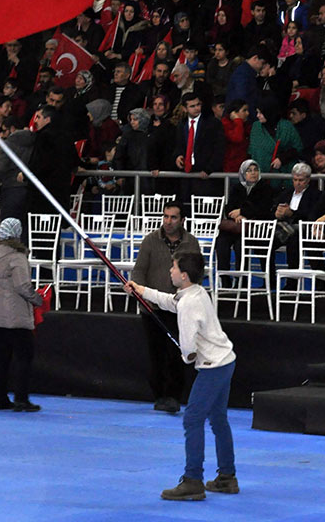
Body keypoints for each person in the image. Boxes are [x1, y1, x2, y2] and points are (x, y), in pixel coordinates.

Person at [124, 251, 238, 501]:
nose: (170, 271)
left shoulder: (188, 304)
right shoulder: (195, 293)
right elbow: (168, 301)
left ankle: (193, 480)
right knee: (218, 420)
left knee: (192, 420)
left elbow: (187, 347)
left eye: (173, 268)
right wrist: (141, 290)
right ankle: (227, 477)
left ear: (184, 275)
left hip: (213, 367)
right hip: (225, 360)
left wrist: (188, 356)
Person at [131, 201, 201, 414]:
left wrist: (189, 300)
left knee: (176, 353)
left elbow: (196, 275)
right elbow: (139, 271)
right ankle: (159, 395)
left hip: (179, 308)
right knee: (157, 354)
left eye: (173, 217)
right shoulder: (150, 241)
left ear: (182, 220)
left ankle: (173, 396)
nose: (168, 222)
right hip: (152, 308)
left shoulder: (191, 243)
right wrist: (140, 294)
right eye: (165, 217)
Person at [0, 218, 44, 412]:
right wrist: (38, 299)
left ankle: (0, 399)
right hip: (14, 316)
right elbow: (22, 286)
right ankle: (21, 398)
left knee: (0, 357)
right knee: (24, 355)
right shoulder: (17, 257)